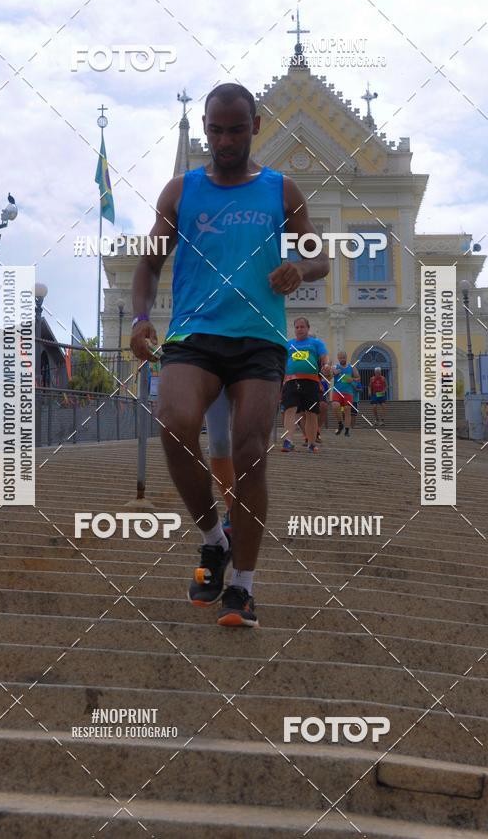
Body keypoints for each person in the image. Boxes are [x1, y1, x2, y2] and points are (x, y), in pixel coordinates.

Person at [130, 82, 329, 627]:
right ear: (206, 129)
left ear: (255, 126)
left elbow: (320, 258)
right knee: (173, 425)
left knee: (249, 452)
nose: (224, 140)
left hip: (260, 338)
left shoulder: (281, 191)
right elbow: (148, 266)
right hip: (195, 335)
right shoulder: (180, 192)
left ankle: (243, 583)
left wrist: (300, 269)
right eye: (215, 130)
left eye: (236, 129)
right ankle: (214, 539)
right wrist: (142, 319)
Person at [281, 317, 330, 454]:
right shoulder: (288, 344)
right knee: (290, 409)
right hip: (291, 381)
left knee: (311, 413)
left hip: (311, 381)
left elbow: (324, 356)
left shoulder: (315, 343)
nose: (299, 329)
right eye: (297, 327)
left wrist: (326, 365)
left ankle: (311, 442)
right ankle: (288, 441)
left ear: (308, 328)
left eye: (302, 327)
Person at [205, 388, 234, 534]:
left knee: (250, 445)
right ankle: (232, 509)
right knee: (218, 443)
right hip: (214, 372)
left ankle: (240, 511)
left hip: (256, 369)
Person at [332, 351, 360, 438]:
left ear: (346, 357)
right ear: (338, 358)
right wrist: (334, 372)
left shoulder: (351, 367)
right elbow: (329, 373)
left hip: (348, 392)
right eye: (340, 358)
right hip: (337, 391)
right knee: (335, 405)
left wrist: (351, 379)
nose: (342, 359)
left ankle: (347, 430)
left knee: (347, 410)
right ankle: (340, 423)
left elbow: (358, 378)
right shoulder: (335, 366)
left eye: (343, 357)